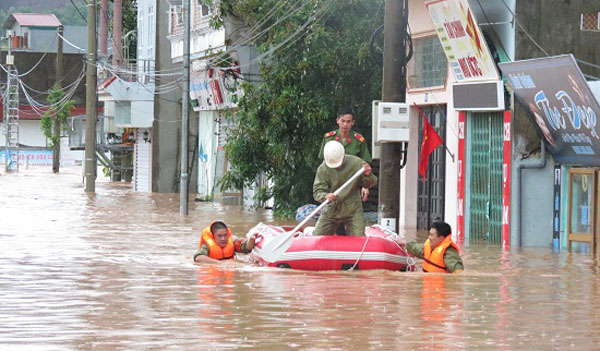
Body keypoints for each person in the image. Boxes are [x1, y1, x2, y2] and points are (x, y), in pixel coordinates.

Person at [313, 141, 377, 236]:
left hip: (352, 209)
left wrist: (367, 175)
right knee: (318, 236)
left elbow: (370, 183)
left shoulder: (357, 163)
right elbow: (317, 191)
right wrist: (325, 196)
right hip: (331, 209)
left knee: (359, 239)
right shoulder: (323, 169)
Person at [319, 107, 372, 202]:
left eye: (348, 121)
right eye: (342, 121)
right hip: (332, 182)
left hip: (352, 184)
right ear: (337, 121)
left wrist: (365, 186)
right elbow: (323, 162)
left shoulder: (359, 140)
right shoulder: (328, 138)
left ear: (353, 122)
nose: (345, 124)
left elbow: (365, 165)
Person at [394, 221, 464, 273]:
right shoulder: (430, 247)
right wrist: (406, 243)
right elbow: (417, 248)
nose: (429, 237)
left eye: (431, 235)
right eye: (429, 234)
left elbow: (458, 272)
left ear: (441, 238)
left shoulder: (448, 252)